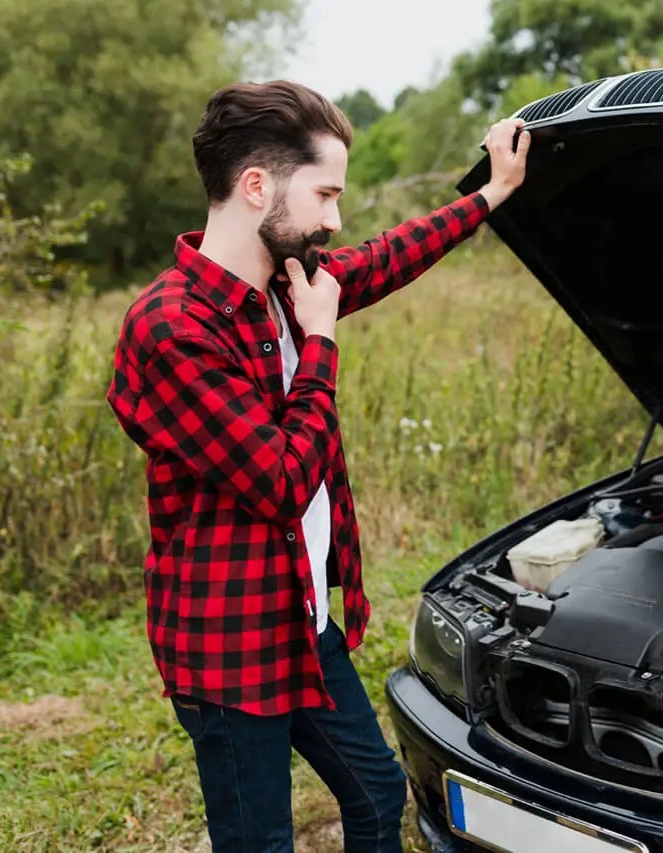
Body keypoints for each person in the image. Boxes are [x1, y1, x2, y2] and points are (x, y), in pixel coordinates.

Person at [105, 79, 529, 850]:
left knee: (374, 794)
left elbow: (390, 256)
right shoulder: (172, 328)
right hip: (229, 649)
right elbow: (282, 480)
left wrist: (493, 194)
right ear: (256, 185)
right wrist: (322, 343)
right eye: (326, 194)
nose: (336, 219)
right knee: (259, 841)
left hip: (302, 618)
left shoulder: (287, 283)